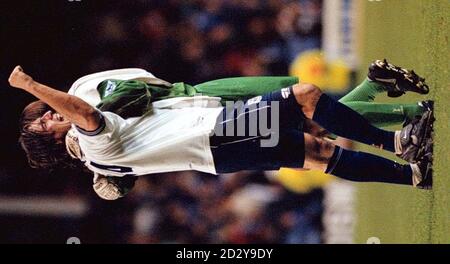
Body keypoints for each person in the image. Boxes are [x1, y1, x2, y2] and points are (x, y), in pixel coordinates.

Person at [10, 60, 433, 200]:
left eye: (45, 112)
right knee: (304, 98)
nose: (49, 113)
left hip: (215, 145)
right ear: (53, 141)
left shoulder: (99, 161)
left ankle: (412, 173)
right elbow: (86, 113)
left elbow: (120, 180)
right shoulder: (89, 140)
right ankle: (396, 140)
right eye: (44, 120)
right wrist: (31, 85)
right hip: (215, 128)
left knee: (315, 153)